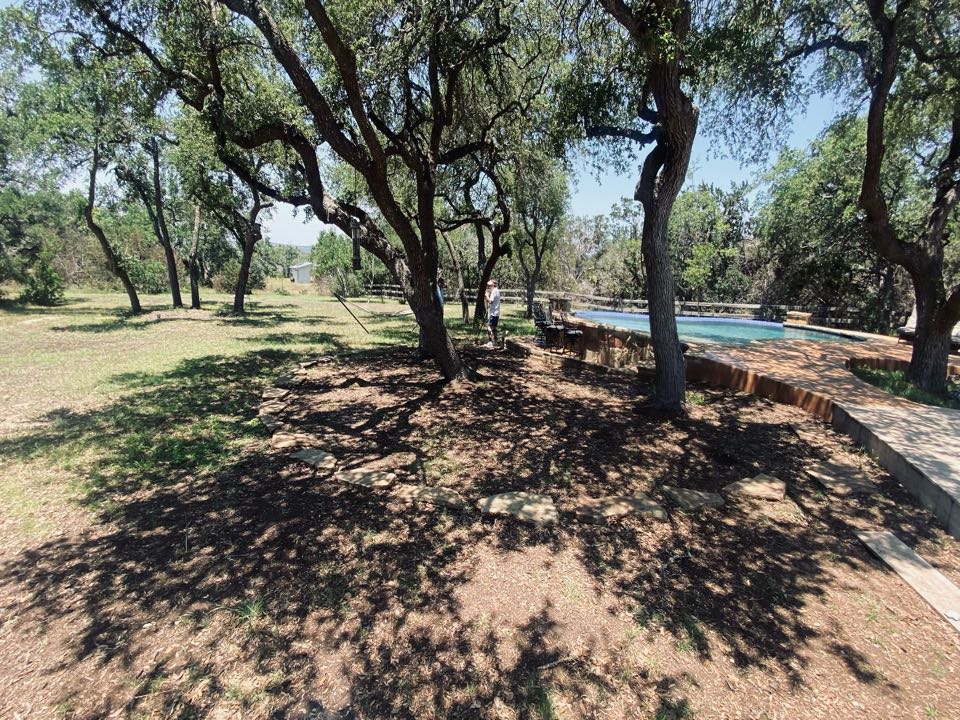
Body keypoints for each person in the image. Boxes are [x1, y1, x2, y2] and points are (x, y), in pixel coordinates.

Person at [484, 279, 501, 348]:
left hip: (493, 313)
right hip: (496, 312)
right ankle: (495, 341)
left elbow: (490, 301)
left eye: (490, 285)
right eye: (488, 285)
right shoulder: (497, 291)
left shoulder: (494, 291)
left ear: (493, 285)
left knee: (489, 327)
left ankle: (490, 341)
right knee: (494, 327)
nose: (488, 287)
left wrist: (486, 295)